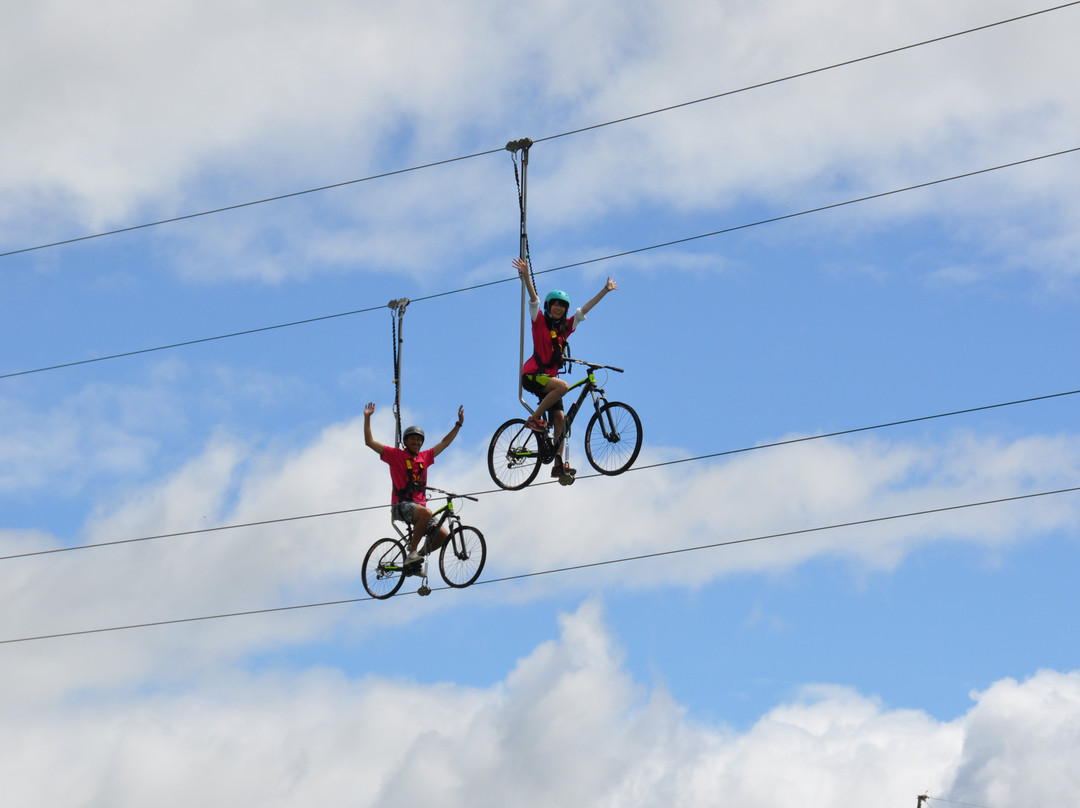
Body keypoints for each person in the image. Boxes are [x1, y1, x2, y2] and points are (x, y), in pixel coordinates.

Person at [514, 257, 618, 478]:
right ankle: (534, 419)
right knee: (563, 386)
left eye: (562, 305)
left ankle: (558, 464)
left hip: (548, 382)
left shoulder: (565, 329)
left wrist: (605, 291)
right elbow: (533, 298)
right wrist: (525, 275)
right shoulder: (539, 320)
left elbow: (584, 310)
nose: (559, 308)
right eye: (555, 304)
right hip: (532, 375)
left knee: (561, 419)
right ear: (549, 306)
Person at [364, 402, 464, 567]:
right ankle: (412, 553)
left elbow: (445, 443)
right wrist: (367, 417)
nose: (416, 442)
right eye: (412, 439)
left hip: (419, 509)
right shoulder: (395, 455)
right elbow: (369, 442)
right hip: (401, 505)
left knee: (443, 536)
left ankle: (417, 558)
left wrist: (458, 424)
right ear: (405, 442)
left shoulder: (425, 457)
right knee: (426, 513)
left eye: (419, 440)